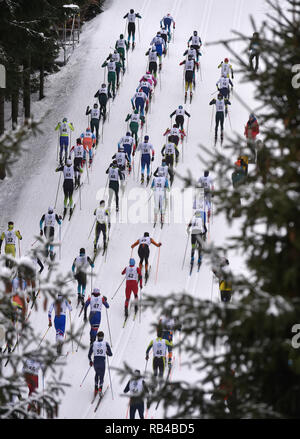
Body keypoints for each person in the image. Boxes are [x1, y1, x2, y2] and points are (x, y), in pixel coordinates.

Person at [88, 331, 112, 396]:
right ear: (103, 337)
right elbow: (110, 354)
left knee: (97, 373)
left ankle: (96, 388)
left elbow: (89, 355)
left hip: (95, 361)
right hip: (102, 362)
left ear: (97, 337)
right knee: (101, 375)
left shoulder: (93, 343)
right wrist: (106, 352)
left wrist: (90, 361)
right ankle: (100, 389)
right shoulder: (105, 343)